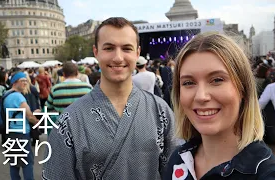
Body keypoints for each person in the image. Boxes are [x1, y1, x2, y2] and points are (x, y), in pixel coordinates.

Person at [42, 17, 177, 180]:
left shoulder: (161, 111)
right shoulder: (68, 121)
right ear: (96, 52)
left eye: (127, 48)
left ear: (137, 53)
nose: (118, 58)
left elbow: (175, 171)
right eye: (109, 48)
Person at [163, 33, 275, 179]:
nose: (201, 96)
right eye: (188, 82)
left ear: (243, 89)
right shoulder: (177, 160)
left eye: (217, 80)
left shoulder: (271, 174)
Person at [3, 72, 39, 180]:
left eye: (26, 81)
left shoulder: (6, 94)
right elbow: (29, 116)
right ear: (14, 82)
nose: (25, 83)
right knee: (27, 162)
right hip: (21, 133)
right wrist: (37, 122)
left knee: (14, 162)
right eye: (22, 81)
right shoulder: (18, 97)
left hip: (10, 131)